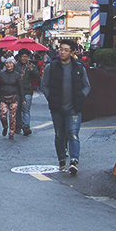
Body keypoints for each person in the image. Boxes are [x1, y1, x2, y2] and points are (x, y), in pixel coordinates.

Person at [41, 38, 91, 176]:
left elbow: (87, 85)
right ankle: (62, 159)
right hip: (57, 107)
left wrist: (81, 97)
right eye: (60, 49)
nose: (62, 52)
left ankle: (74, 161)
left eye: (66, 50)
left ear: (73, 52)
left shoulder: (79, 67)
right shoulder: (51, 67)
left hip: (74, 107)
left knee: (73, 134)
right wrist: (50, 97)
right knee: (59, 135)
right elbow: (44, 85)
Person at [0, 56, 23, 138]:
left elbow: (20, 87)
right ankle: (5, 126)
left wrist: (23, 98)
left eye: (11, 63)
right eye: (7, 63)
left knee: (12, 117)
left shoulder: (17, 75)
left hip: (13, 97)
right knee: (2, 116)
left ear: (14, 65)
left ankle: (12, 132)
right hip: (3, 97)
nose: (9, 65)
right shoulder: (1, 74)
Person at [16, 50, 40, 136]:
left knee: (26, 109)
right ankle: (18, 125)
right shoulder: (15, 66)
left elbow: (37, 76)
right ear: (19, 57)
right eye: (23, 56)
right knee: (17, 109)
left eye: (26, 56)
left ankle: (26, 126)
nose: (24, 58)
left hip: (27, 90)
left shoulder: (31, 66)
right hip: (17, 91)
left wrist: (32, 70)